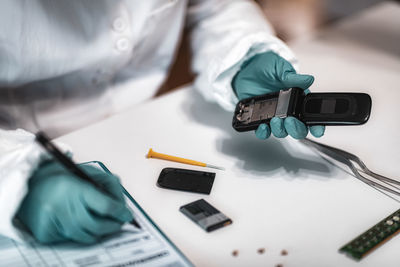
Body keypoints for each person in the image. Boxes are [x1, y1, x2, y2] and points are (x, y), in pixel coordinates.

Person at [0, 0, 324, 244]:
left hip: (153, 126)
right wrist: (16, 181)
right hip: (23, 140)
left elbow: (215, 8)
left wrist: (242, 57)